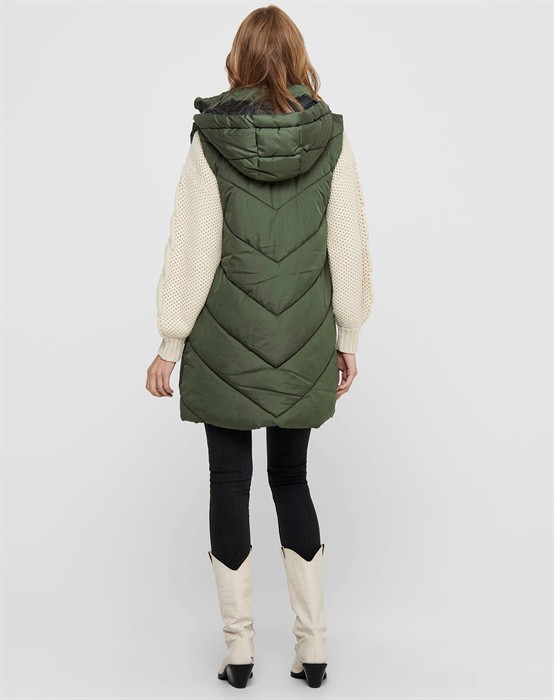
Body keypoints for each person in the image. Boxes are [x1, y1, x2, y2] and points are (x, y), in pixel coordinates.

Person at [145, 4, 373, 689]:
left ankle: (240, 654)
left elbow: (193, 247)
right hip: (303, 342)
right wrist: (348, 333)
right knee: (291, 480)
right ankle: (314, 649)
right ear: (298, 58)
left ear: (238, 60)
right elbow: (348, 243)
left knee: (229, 482)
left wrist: (169, 342)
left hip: (224, 344)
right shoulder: (330, 135)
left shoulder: (211, 139)